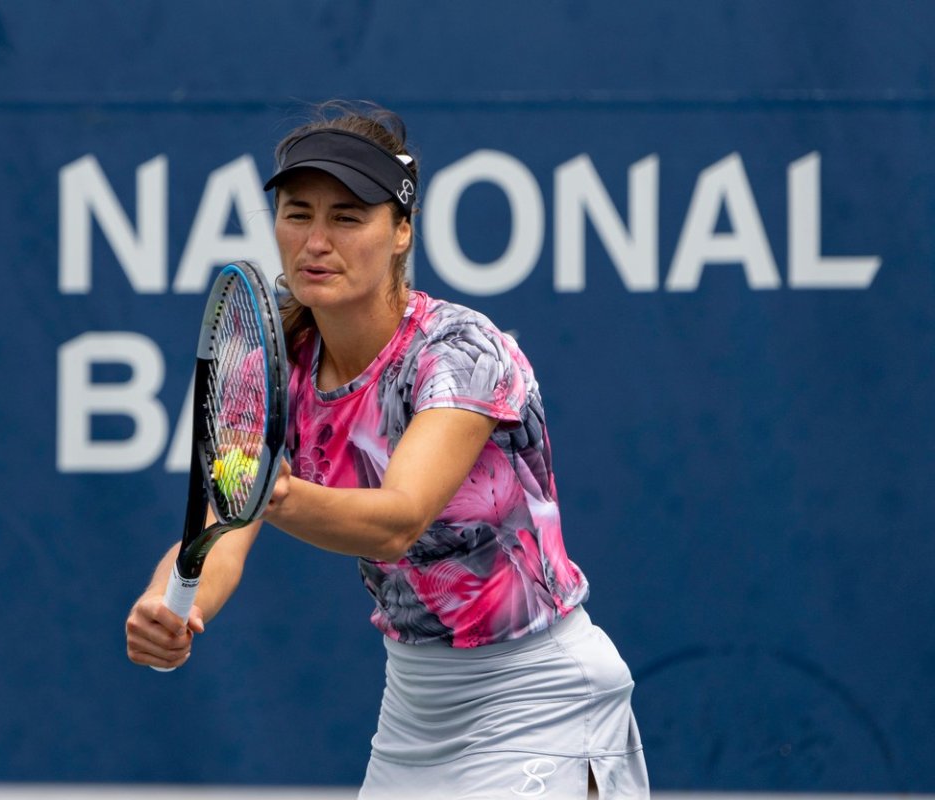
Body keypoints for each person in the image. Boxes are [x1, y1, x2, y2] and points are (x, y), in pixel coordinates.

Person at [126, 100, 650, 799]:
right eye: (298, 213)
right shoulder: (270, 370)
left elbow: (399, 520)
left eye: (347, 217)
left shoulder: (461, 352)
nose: (317, 240)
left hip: (538, 695)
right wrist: (172, 608)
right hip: (414, 709)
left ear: (401, 231)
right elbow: (221, 532)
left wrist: (271, 492)